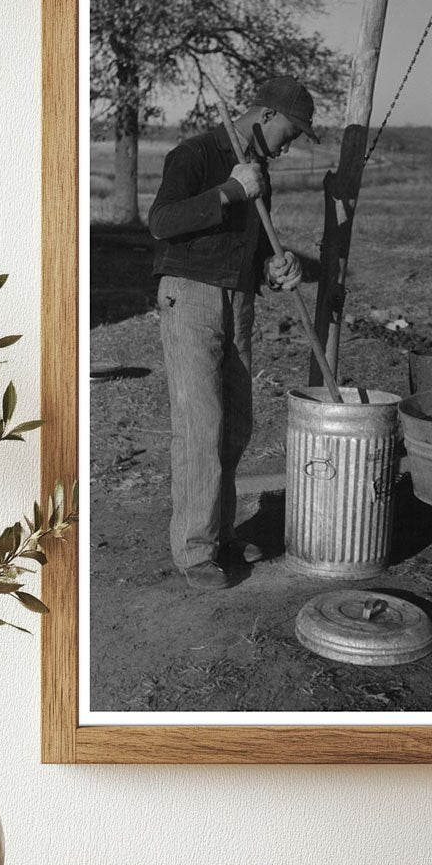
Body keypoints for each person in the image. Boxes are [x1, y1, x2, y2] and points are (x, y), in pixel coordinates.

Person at [148, 76, 317, 591]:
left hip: (236, 299)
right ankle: (195, 551)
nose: (289, 145)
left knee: (236, 422)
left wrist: (274, 269)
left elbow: (255, 249)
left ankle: (220, 536)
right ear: (265, 115)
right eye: (290, 132)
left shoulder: (259, 172)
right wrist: (228, 191)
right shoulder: (195, 153)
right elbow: (161, 222)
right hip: (190, 295)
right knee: (202, 423)